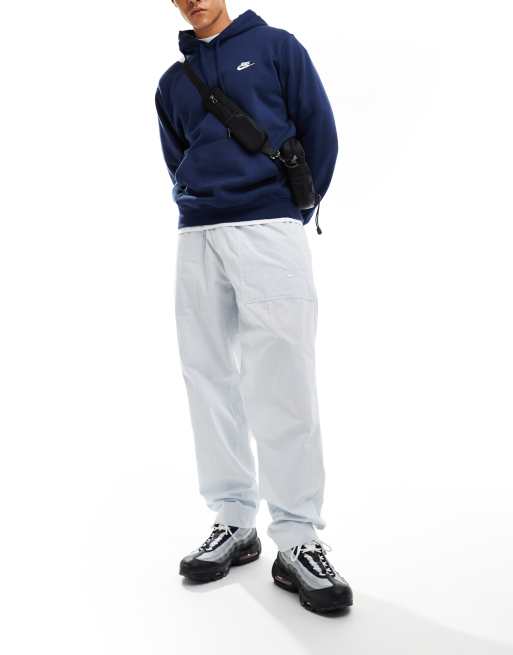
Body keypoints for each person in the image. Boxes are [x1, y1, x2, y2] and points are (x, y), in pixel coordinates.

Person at [155, 0, 353, 613]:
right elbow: (177, 156)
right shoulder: (172, 82)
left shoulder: (276, 47)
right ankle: (233, 519)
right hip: (198, 234)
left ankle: (297, 537)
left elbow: (320, 132)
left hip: (269, 227)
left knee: (283, 377)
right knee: (207, 375)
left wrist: (289, 211)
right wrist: (201, 202)